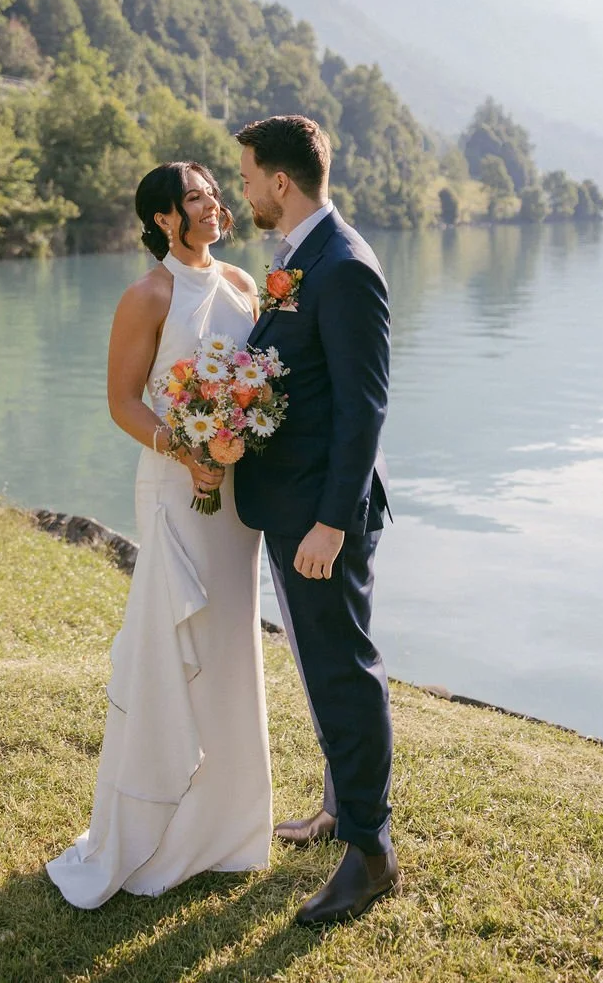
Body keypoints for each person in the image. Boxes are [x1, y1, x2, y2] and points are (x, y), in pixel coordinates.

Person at [46, 162, 272, 908]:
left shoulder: (242, 283)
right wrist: (186, 449)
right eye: (199, 196)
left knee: (232, 644)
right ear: (167, 218)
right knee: (180, 643)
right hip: (177, 489)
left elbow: (261, 380)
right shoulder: (147, 295)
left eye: (214, 191)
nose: (215, 203)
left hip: (236, 497)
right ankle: (154, 828)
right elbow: (121, 401)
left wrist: (235, 438)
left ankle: (229, 829)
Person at [234, 115, 400, 926]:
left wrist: (333, 522)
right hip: (291, 506)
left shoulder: (343, 267)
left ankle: (370, 853)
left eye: (248, 175)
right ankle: (340, 808)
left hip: (320, 521)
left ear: (281, 183)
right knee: (321, 669)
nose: (243, 189)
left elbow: (364, 410)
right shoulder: (300, 260)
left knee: (343, 671)